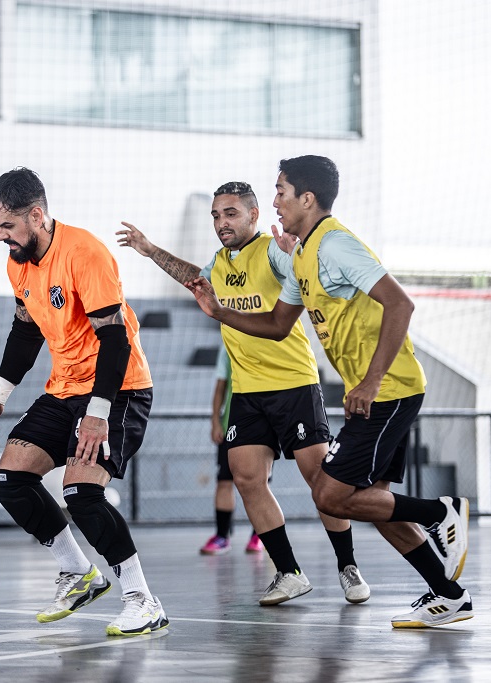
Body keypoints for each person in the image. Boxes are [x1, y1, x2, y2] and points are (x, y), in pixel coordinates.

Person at [185, 156, 472, 628]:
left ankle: (442, 512)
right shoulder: (301, 253)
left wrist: (371, 381)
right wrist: (218, 312)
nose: (274, 200)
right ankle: (449, 594)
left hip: (388, 391)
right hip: (372, 394)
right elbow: (278, 325)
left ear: (307, 198)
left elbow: (401, 303)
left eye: (280, 192)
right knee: (372, 502)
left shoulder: (335, 244)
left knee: (331, 495)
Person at [118, 181, 370, 606]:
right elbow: (194, 279)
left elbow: (301, 274)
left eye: (231, 213)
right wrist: (150, 249)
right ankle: (288, 571)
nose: (221, 223)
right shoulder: (220, 262)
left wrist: (295, 253)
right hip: (248, 392)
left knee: (321, 482)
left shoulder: (272, 251)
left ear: (254, 215)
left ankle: (347, 566)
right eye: (216, 215)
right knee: (247, 477)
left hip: (294, 385)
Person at [0, 167, 168, 637]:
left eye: (8, 226)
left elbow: (115, 340)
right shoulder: (18, 264)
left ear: (36, 215)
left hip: (118, 388)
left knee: (81, 492)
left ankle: (143, 600)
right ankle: (79, 574)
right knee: (10, 479)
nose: (2, 237)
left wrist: (97, 415)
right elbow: (25, 331)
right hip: (63, 388)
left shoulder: (84, 252)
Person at [199, 346, 264, 555]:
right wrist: (215, 421)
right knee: (224, 481)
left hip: (263, 426)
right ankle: (221, 536)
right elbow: (220, 385)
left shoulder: (270, 339)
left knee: (259, 485)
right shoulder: (227, 347)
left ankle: (260, 535)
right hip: (232, 426)